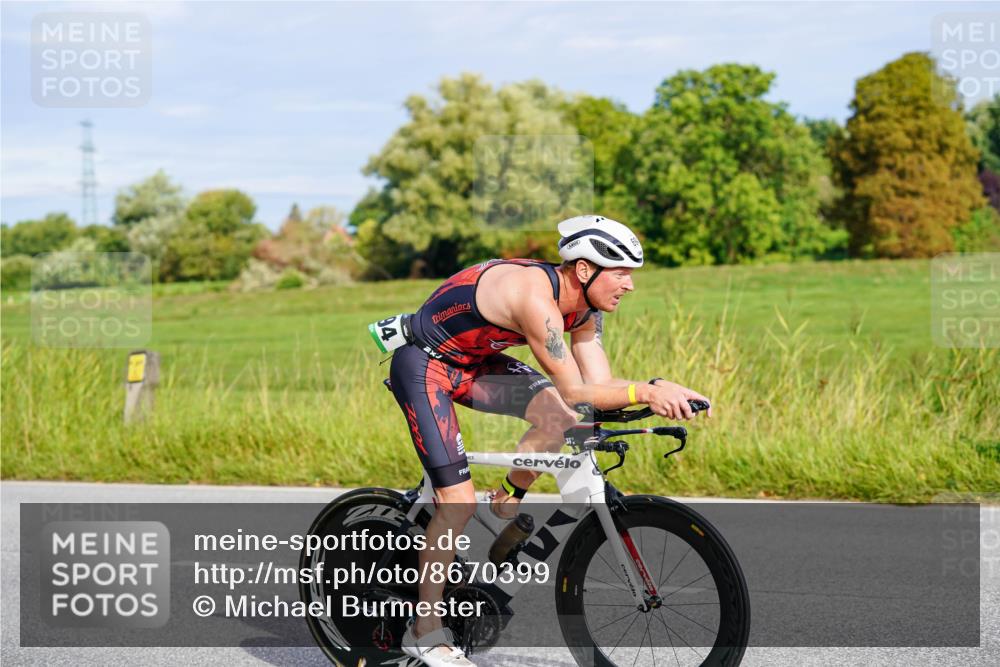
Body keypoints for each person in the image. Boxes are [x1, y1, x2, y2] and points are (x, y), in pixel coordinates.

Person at [392, 215, 712, 666]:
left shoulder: (584, 309)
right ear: (585, 270)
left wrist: (663, 386)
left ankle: (504, 501)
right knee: (457, 502)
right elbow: (576, 389)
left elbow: (597, 385)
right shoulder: (535, 299)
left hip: (476, 363)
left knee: (559, 419)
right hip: (425, 366)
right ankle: (424, 629)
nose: (630, 285)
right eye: (620, 273)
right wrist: (646, 392)